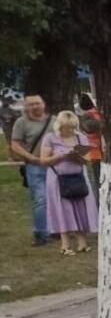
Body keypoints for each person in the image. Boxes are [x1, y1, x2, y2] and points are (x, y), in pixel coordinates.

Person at [39, 110, 97, 256]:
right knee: (62, 210)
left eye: (72, 127)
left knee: (80, 208)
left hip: (78, 177)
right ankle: (65, 244)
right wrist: (59, 156)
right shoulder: (50, 138)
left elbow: (88, 160)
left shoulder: (80, 138)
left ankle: (82, 243)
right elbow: (43, 160)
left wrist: (77, 157)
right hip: (58, 179)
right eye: (67, 127)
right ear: (60, 125)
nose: (70, 130)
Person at [8, 95, 53, 246]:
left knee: (56, 198)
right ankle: (41, 233)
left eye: (37, 103)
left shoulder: (54, 121)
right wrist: (31, 158)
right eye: (31, 104)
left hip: (54, 165)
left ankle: (58, 230)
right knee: (40, 200)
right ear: (26, 107)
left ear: (44, 104)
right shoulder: (21, 123)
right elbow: (15, 145)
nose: (35, 106)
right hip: (35, 166)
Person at [77, 93, 104, 197]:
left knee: (96, 182)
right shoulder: (99, 113)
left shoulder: (86, 117)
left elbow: (88, 130)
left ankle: (98, 205)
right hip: (103, 151)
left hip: (94, 153)